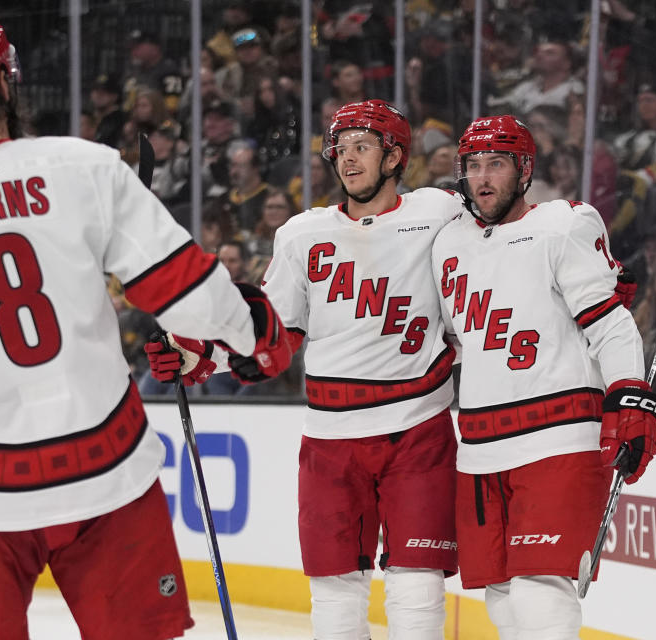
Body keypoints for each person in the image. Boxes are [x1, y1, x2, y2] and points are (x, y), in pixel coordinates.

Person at [0, 7, 293, 640]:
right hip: (105, 469)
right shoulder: (83, 166)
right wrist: (255, 337)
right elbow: (185, 288)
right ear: (7, 78)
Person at [148, 100, 466, 639]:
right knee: (335, 593)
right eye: (340, 149)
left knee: (417, 588)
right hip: (330, 435)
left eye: (362, 147)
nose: (347, 160)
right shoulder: (301, 234)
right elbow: (272, 330)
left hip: (418, 427)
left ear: (395, 157)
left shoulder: (440, 213)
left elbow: (501, 250)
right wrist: (199, 352)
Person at [431, 115, 656, 639]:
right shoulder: (449, 244)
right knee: (504, 600)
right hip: (482, 444)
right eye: (473, 165)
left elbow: (610, 322)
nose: (483, 177)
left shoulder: (562, 224)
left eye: (497, 164)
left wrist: (629, 396)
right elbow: (454, 340)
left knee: (540, 591)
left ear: (525, 169)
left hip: (559, 437)